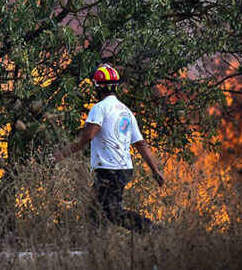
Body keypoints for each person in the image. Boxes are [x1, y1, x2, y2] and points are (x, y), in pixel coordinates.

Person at [51, 63, 165, 233]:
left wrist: (62, 154)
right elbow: (140, 143)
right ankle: (98, 249)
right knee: (94, 211)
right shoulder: (126, 111)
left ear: (97, 87)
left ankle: (153, 230)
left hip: (109, 169)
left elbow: (87, 137)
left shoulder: (100, 108)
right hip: (124, 168)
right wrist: (155, 170)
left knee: (113, 212)